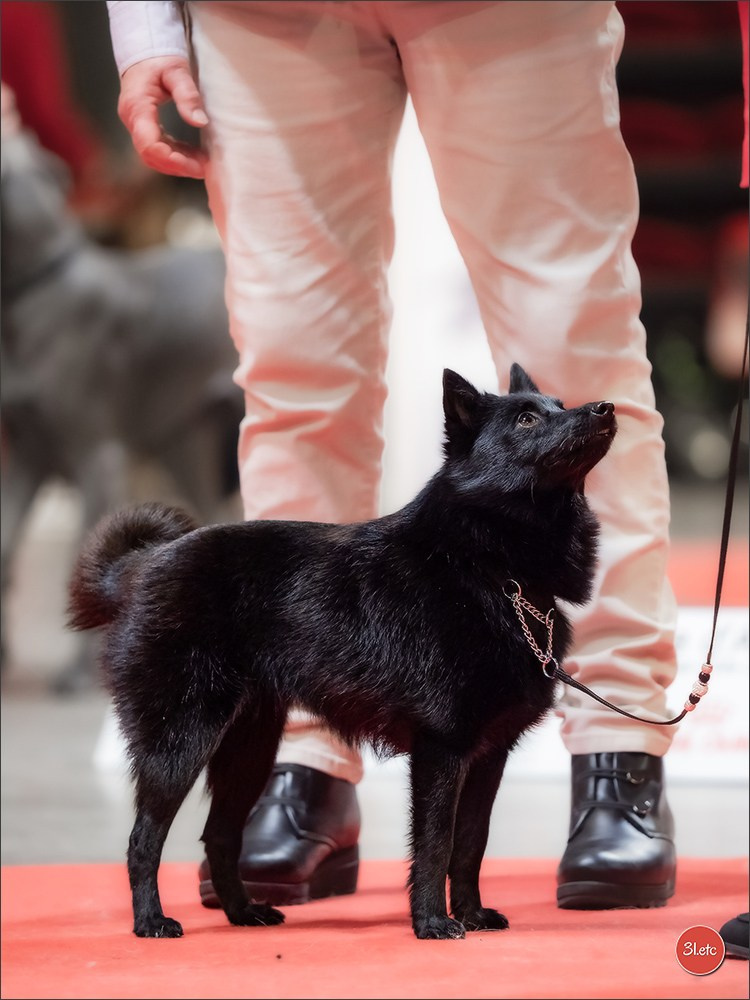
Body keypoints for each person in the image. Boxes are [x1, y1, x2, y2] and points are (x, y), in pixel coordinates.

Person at [105, 0, 679, 911]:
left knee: (576, 357)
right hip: (258, 16)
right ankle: (304, 761)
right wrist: (145, 32)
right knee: (294, 370)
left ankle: (619, 749)